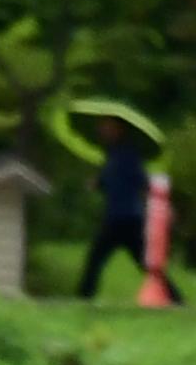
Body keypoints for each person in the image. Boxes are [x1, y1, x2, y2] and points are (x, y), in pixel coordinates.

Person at [75, 115, 176, 302]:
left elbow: (143, 182)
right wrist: (96, 183)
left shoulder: (129, 155)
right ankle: (175, 299)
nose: (103, 130)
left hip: (128, 217)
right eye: (103, 127)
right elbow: (108, 181)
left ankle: (83, 298)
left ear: (119, 129)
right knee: (100, 259)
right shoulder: (111, 155)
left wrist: (161, 207)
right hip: (116, 216)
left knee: (100, 258)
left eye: (108, 127)